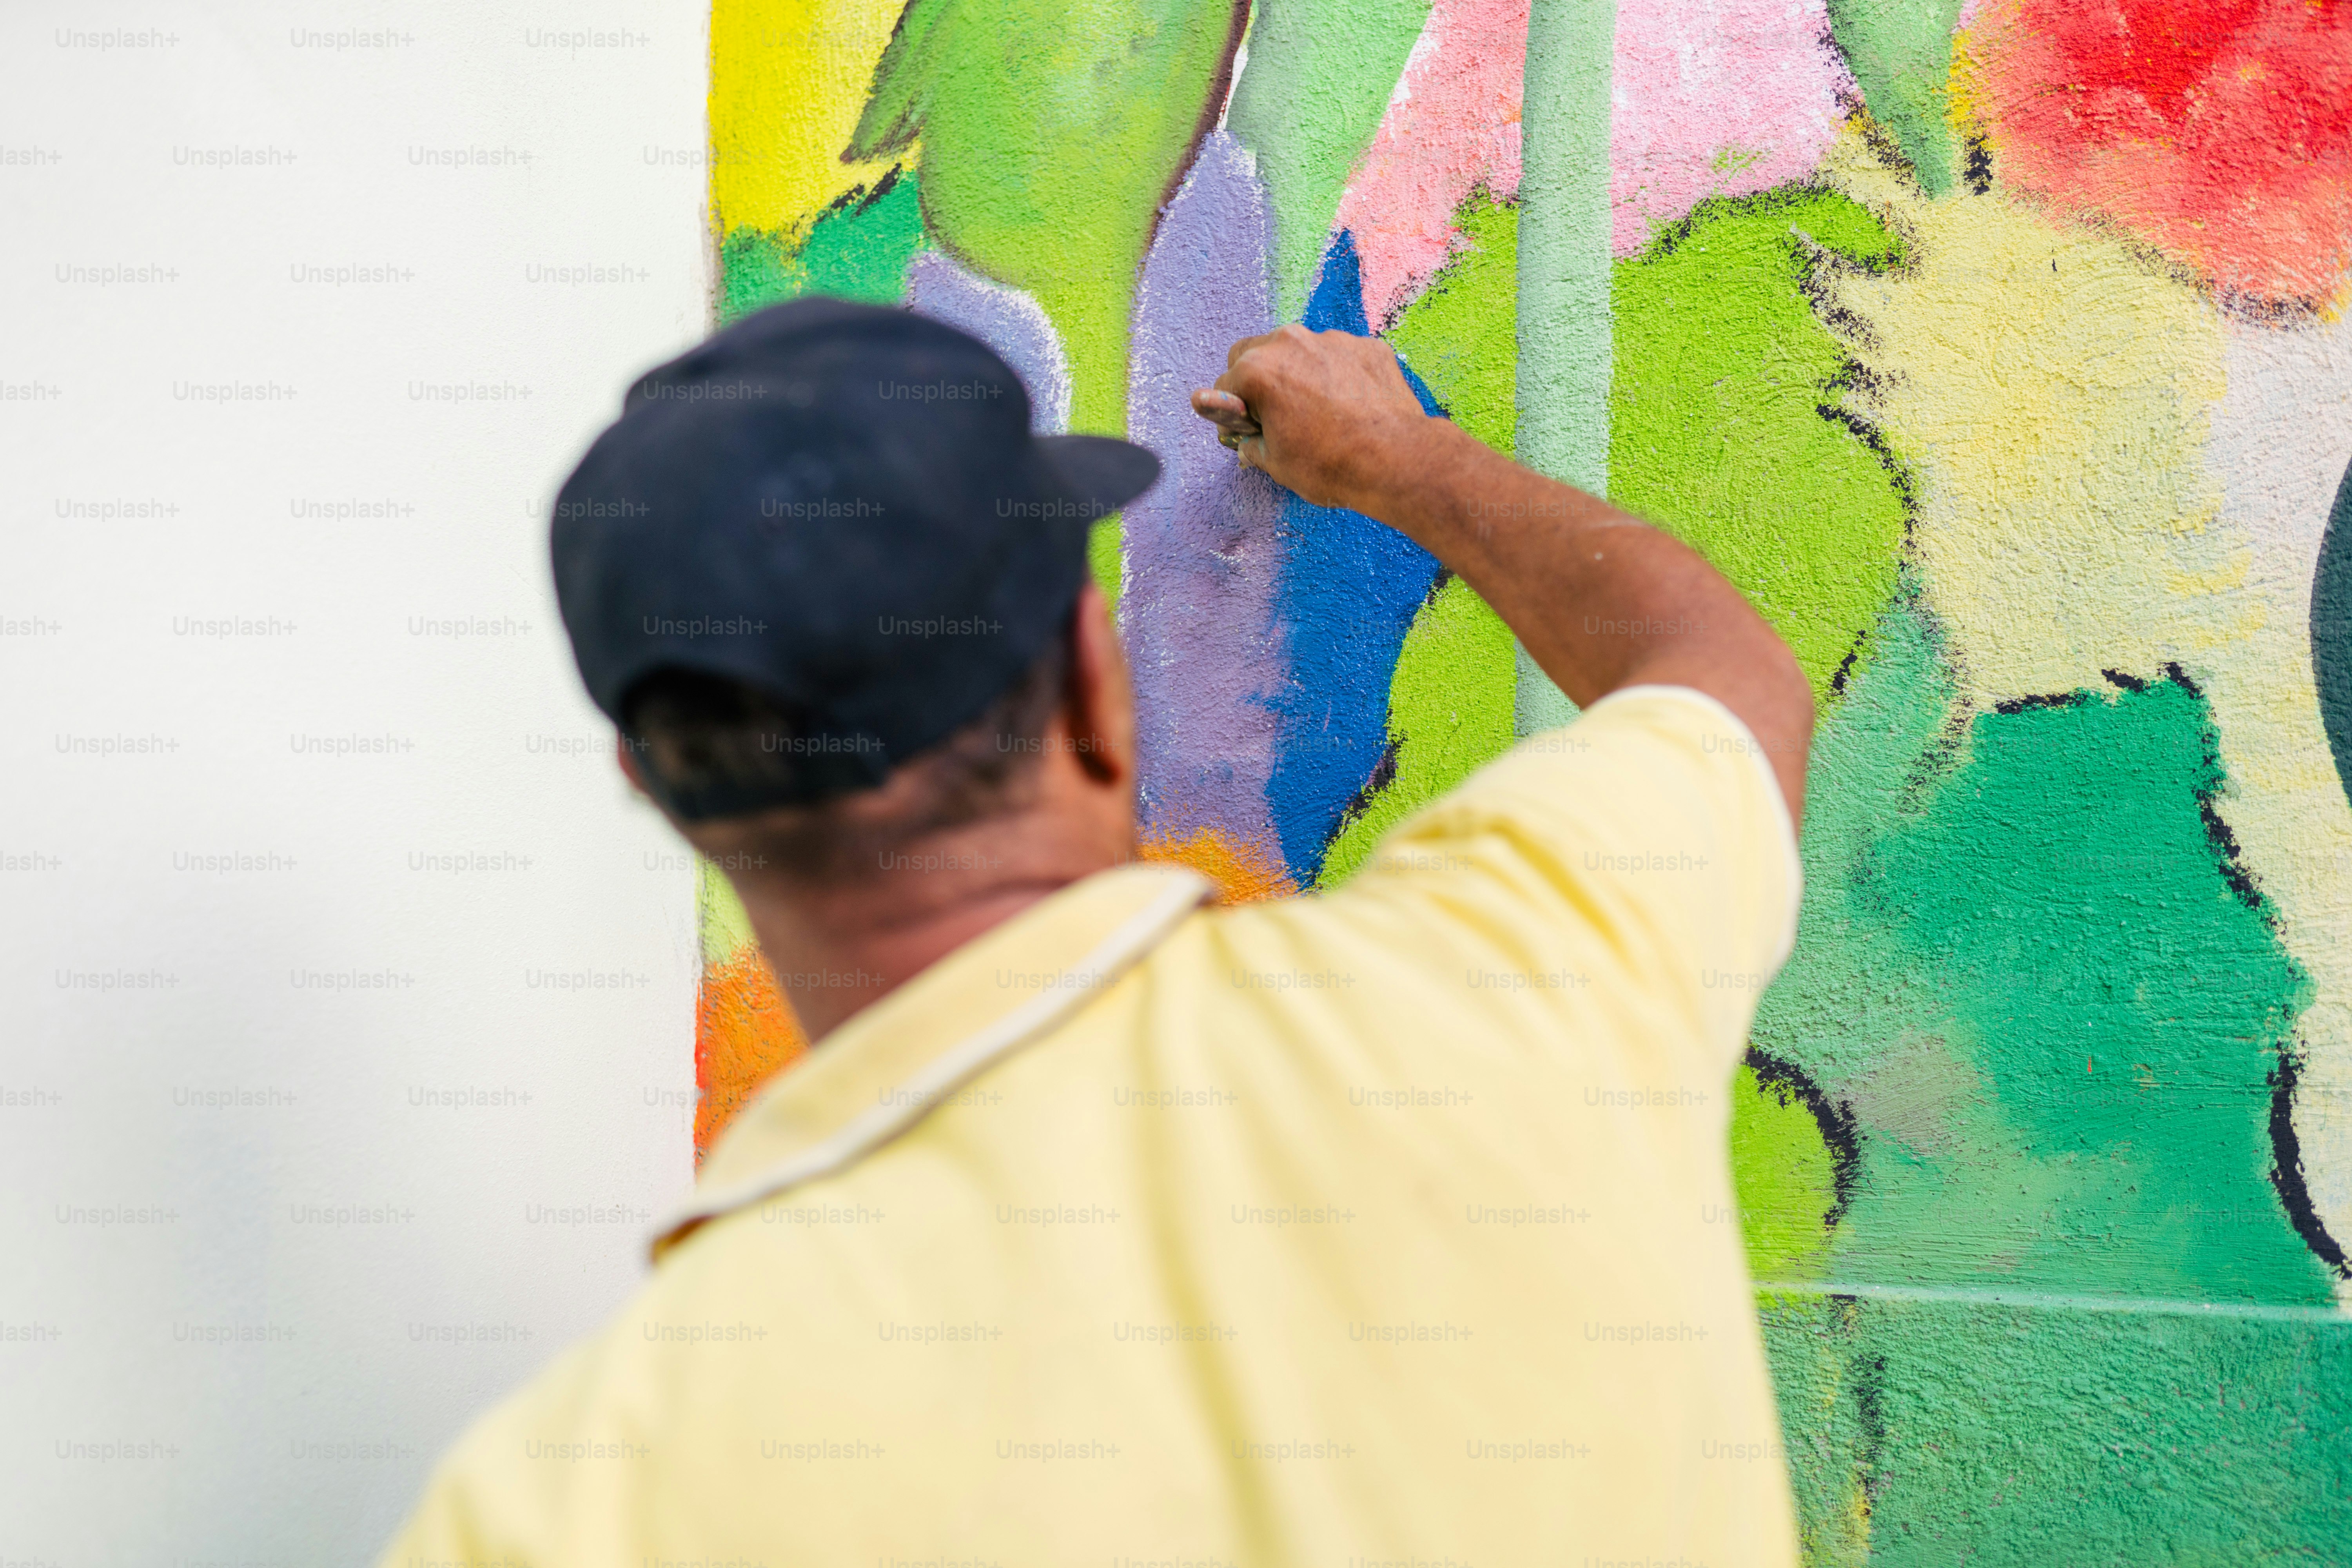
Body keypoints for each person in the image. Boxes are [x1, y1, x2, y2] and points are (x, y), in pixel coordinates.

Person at [381, 296, 1813, 1565]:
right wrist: (1396, 456)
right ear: (1091, 678)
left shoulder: (582, 1500)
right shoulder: (1510, 989)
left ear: (669, 795)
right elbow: (1725, 680)